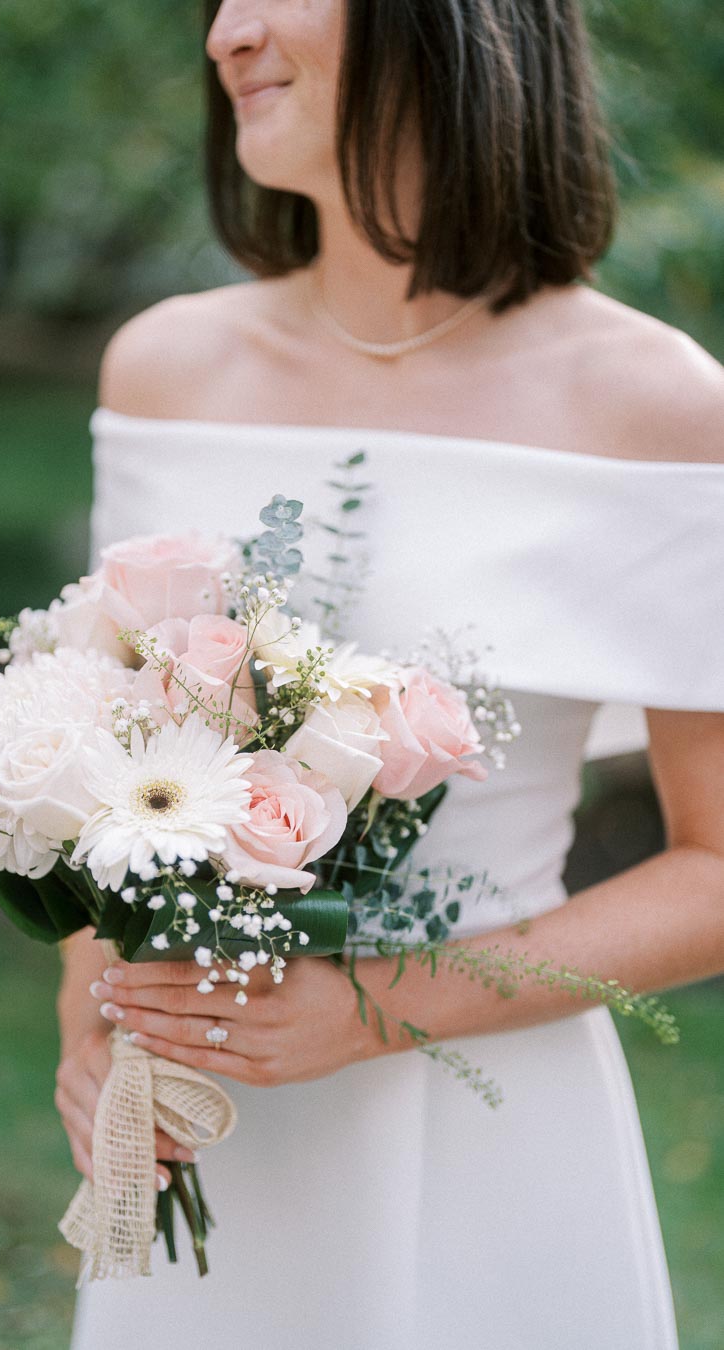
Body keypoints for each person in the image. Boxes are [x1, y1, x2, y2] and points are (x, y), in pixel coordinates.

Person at [56, 1, 724, 1345]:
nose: (226, 33)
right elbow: (110, 763)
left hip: (483, 1118)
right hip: (199, 1117)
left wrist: (367, 1013)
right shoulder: (166, 368)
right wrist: (91, 1019)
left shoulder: (657, 407)